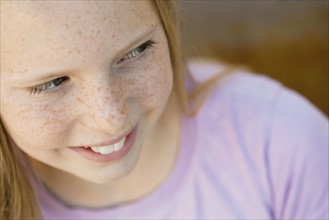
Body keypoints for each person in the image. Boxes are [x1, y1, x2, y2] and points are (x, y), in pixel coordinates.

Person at [0, 1, 328, 219]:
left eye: (137, 50)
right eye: (53, 83)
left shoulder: (277, 142)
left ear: (167, 26)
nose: (110, 118)